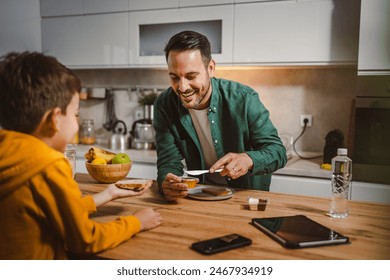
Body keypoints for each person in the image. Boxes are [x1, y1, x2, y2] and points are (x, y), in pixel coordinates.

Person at [0, 52, 162, 259]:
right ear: (55, 119)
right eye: (76, 114)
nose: (77, 122)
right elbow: (84, 238)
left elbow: (50, 209)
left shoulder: (10, 154)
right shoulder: (49, 165)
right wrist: (136, 222)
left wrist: (107, 195)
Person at [154, 31, 287, 201]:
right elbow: (168, 162)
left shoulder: (244, 98)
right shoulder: (164, 105)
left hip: (246, 200)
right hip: (198, 197)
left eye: (191, 76)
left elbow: (277, 152)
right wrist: (167, 183)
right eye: (174, 77)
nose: (182, 87)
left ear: (210, 68)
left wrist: (248, 160)